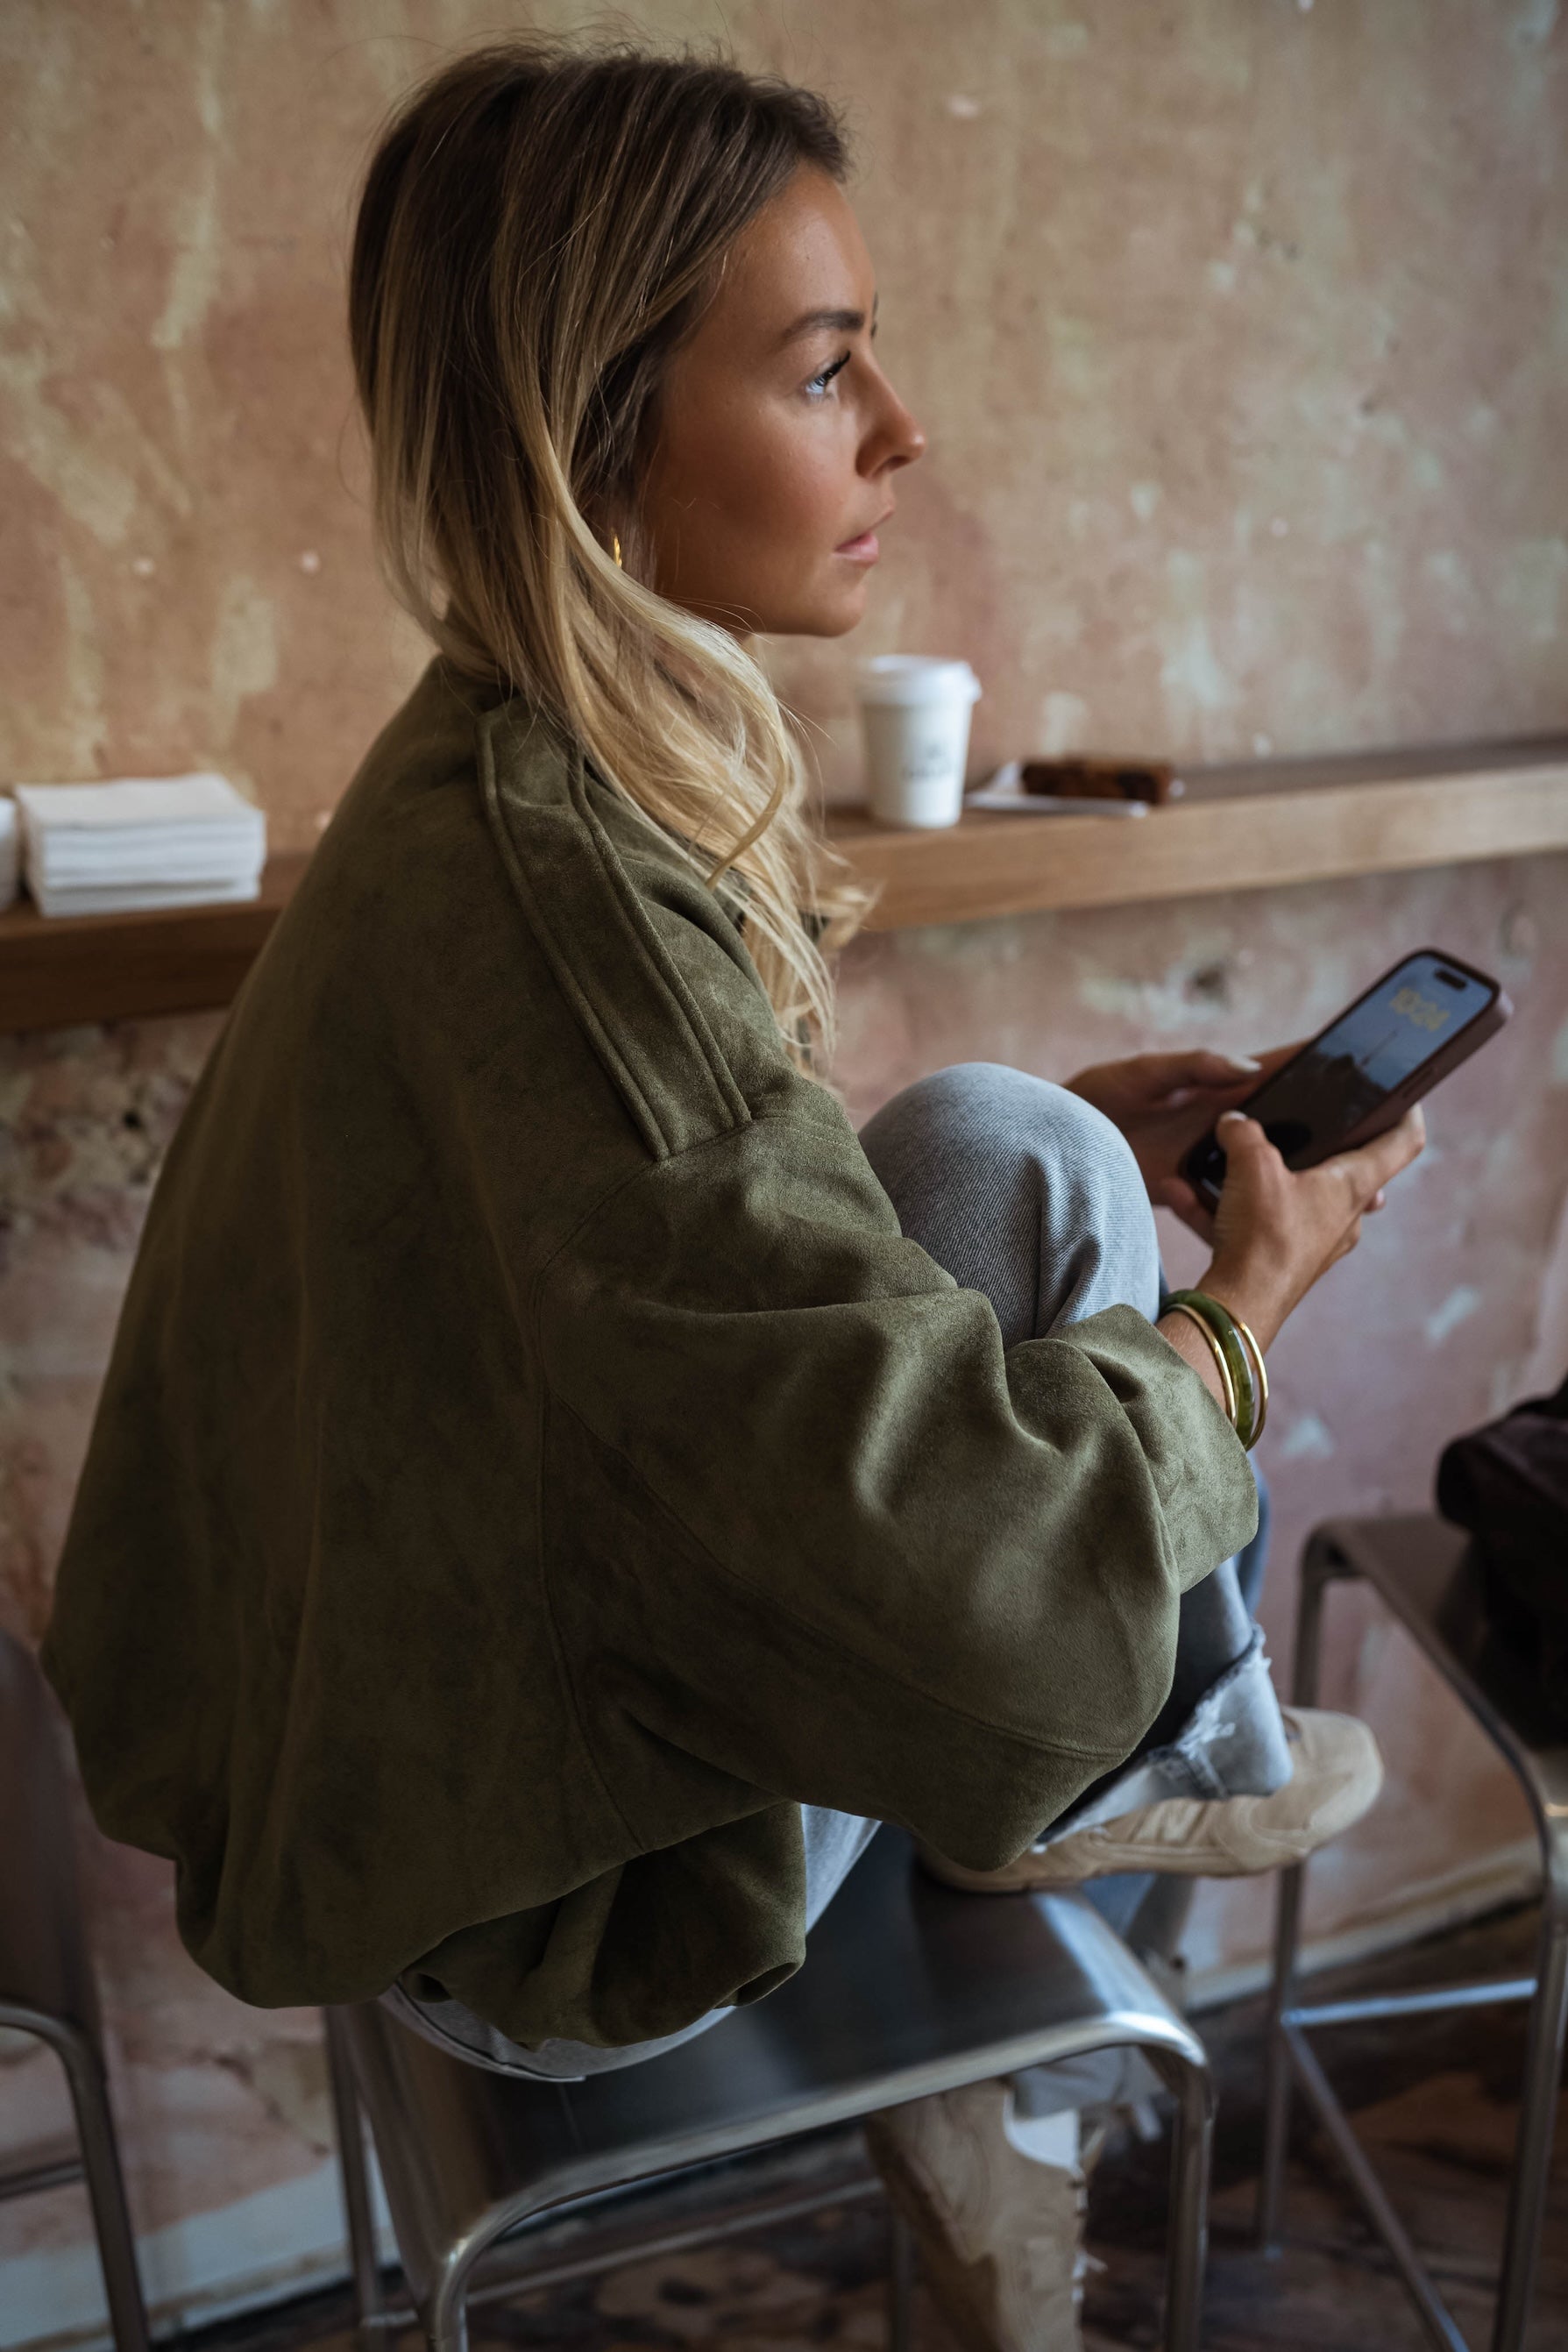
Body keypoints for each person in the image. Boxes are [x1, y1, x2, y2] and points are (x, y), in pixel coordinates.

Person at [41, 44, 1424, 2352]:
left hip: (417, 1744)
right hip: (536, 1912)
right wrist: (1240, 1321)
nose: (900, 428)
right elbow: (962, 1574)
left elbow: (668, 1248)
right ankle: (1146, 1788)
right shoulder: (572, 886)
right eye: (819, 367)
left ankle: (1132, 1800)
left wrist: (1075, 1150)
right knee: (1064, 1568)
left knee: (1013, 1142)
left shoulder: (506, 763)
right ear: (597, 426)